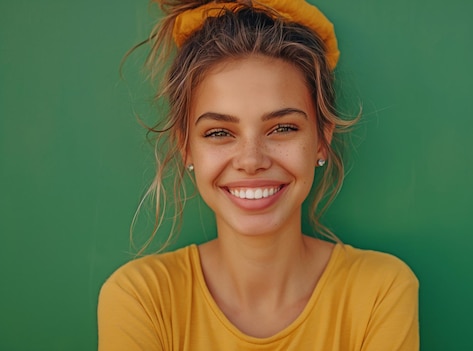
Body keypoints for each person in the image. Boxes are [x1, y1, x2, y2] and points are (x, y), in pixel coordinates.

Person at [97, 0, 419, 350]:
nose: (251, 161)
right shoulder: (141, 298)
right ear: (186, 147)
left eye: (282, 128)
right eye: (219, 132)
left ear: (321, 141)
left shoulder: (381, 291)